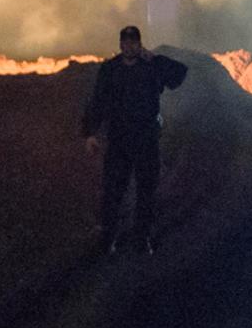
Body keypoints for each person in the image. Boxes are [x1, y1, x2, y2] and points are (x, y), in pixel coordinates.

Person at [81, 26, 189, 255]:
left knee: (146, 192)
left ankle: (142, 238)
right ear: (120, 44)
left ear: (140, 44)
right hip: (119, 140)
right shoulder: (110, 70)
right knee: (113, 192)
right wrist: (90, 133)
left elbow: (179, 75)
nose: (129, 47)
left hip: (146, 139)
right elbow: (98, 101)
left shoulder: (151, 66)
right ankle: (108, 238)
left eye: (134, 43)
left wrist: (157, 60)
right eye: (126, 42)